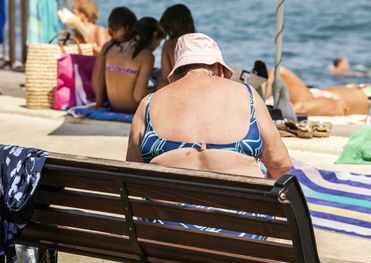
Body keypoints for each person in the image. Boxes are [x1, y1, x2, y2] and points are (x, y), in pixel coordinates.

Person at [127, 33, 291, 180]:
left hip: (166, 214)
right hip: (239, 212)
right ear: (219, 68)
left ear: (177, 71)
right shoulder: (248, 96)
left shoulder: (149, 104)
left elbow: (132, 174)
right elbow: (280, 164)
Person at [266, 66, 371, 119]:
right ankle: (255, 100)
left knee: (299, 108)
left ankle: (261, 112)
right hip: (315, 93)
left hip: (336, 104)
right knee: (278, 71)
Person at [94, 17, 165, 113]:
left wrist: (99, 103)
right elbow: (138, 96)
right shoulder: (147, 56)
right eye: (159, 41)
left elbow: (99, 78)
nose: (157, 46)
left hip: (113, 105)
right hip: (132, 108)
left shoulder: (112, 47)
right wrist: (159, 87)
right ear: (155, 35)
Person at [92, 7, 137, 103]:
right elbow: (100, 76)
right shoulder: (108, 47)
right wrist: (99, 102)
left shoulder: (123, 46)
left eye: (132, 33)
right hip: (101, 94)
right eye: (126, 35)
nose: (130, 38)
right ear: (110, 33)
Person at [155, 4, 195, 90]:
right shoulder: (200, 41)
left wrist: (155, 99)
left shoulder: (169, 45)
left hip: (178, 92)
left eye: (169, 28)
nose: (169, 33)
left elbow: (163, 78)